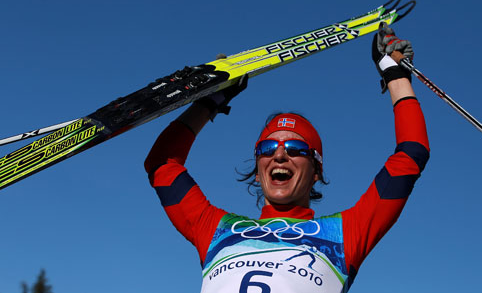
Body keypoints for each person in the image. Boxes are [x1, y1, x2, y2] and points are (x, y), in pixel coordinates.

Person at [144, 24, 430, 293]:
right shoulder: (215, 228)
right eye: (267, 149)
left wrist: (395, 75)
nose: (279, 154)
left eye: (295, 148)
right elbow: (161, 163)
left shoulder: (345, 233)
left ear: (316, 170)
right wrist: (212, 100)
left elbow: (411, 154)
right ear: (258, 171)